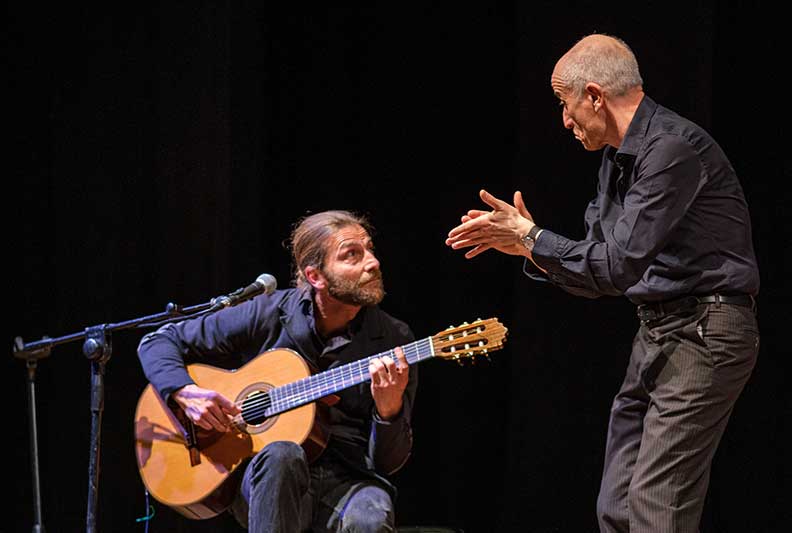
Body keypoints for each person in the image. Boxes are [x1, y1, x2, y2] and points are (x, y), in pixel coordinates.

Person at [445, 33, 760, 533]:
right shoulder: (616, 161)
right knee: (616, 507)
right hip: (658, 333)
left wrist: (532, 236)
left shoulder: (671, 150)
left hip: (705, 331)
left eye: (563, 103)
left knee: (658, 508)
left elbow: (615, 266)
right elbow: (597, 272)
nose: (564, 120)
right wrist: (530, 245)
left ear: (593, 95)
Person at [137, 210, 417, 533]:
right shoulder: (269, 311)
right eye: (352, 255)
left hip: (349, 479)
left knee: (370, 519)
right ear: (316, 277)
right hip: (267, 478)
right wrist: (184, 392)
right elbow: (159, 341)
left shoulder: (394, 340)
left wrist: (389, 410)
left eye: (370, 249)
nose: (373, 263)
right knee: (282, 453)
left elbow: (387, 463)